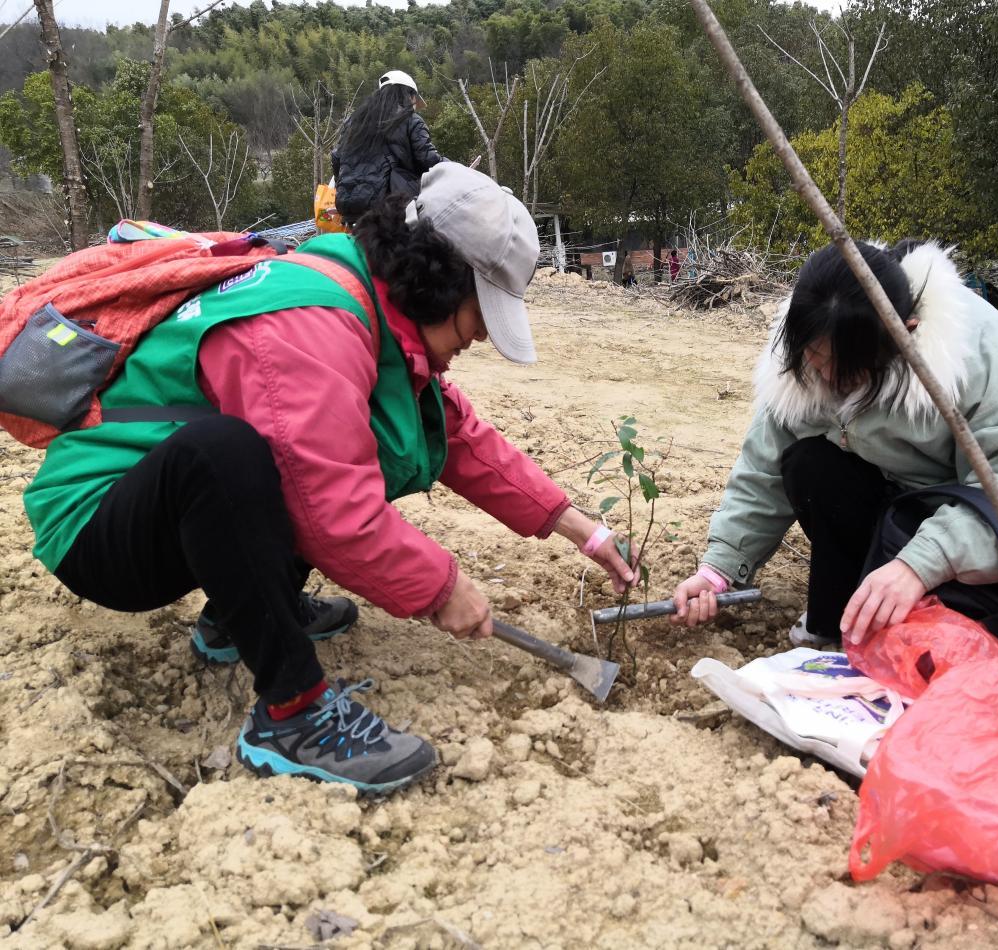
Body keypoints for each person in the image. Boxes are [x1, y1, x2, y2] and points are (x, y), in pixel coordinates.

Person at [22, 164, 635, 796]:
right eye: (480, 318)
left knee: (312, 445)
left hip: (175, 517)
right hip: (100, 532)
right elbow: (329, 508)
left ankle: (238, 622)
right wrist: (441, 587)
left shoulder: (366, 307)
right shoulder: (310, 325)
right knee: (231, 453)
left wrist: (584, 531)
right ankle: (292, 716)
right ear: (438, 285)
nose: (478, 338)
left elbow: (457, 438)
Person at [670, 241, 998, 652]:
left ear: (905, 334)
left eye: (849, 371)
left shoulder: (976, 350)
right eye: (817, 360)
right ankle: (845, 617)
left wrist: (920, 565)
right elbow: (762, 469)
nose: (829, 380)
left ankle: (912, 613)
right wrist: (717, 570)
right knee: (809, 464)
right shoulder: (801, 348)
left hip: (954, 515)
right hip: (878, 510)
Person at [332, 70, 446, 227]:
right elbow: (427, 159)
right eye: (414, 99)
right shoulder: (410, 120)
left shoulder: (353, 122)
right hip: (390, 206)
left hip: (349, 206)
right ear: (409, 95)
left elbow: (336, 158)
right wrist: (452, 167)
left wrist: (345, 187)